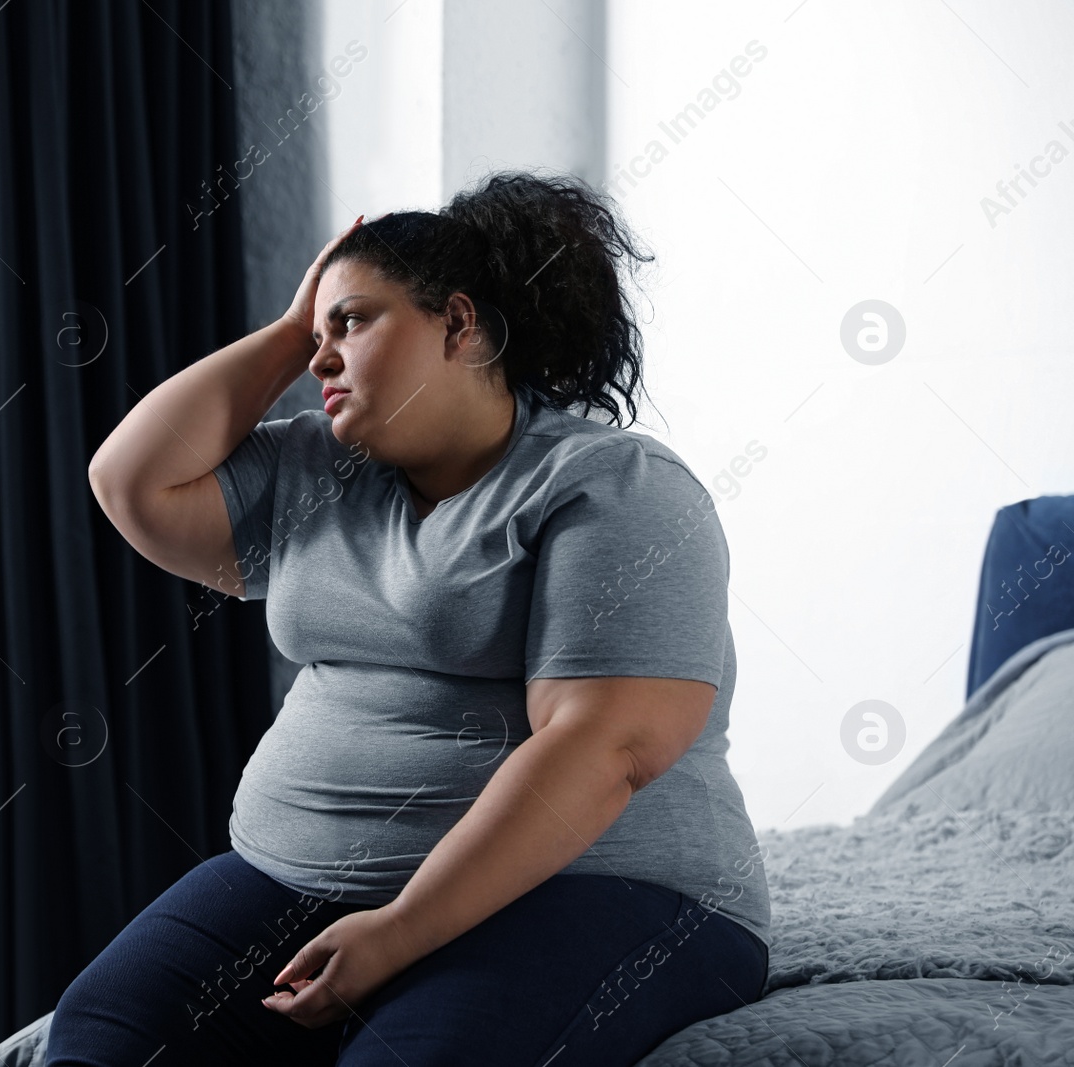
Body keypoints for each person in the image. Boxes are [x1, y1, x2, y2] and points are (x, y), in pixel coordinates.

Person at [62, 169, 771, 1066]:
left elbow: (606, 748)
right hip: (295, 873)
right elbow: (130, 481)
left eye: (352, 322)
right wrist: (292, 331)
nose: (322, 358)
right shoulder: (314, 469)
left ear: (459, 323)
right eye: (316, 335)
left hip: (601, 883)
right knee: (99, 1041)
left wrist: (396, 933)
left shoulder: (615, 486)